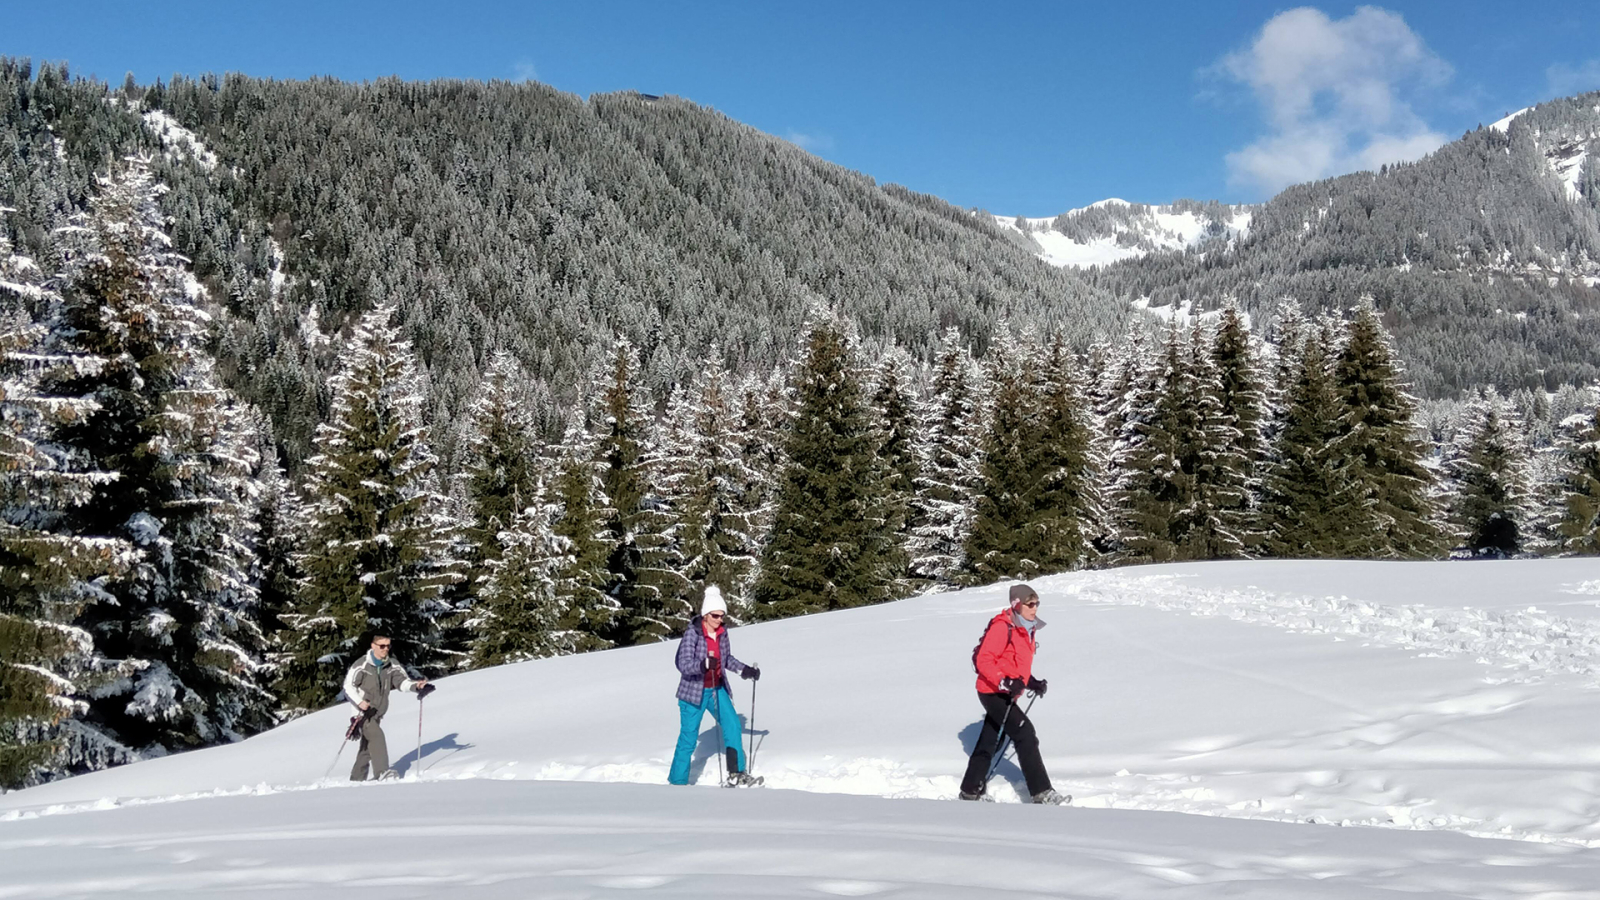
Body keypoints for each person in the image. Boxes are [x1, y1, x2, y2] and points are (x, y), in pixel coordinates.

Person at [959, 583, 1069, 804]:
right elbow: (984, 660)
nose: (1034, 608)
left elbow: (1014, 665)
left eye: (1037, 603)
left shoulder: (1027, 628)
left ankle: (970, 790)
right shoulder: (1003, 627)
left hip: (1005, 691)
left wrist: (1031, 682)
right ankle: (1041, 792)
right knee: (1025, 733)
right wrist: (1005, 681)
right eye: (1030, 603)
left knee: (991, 741)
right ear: (1017, 604)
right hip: (991, 691)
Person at [669, 586, 762, 786]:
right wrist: (702, 665)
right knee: (688, 738)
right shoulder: (692, 634)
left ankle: (736, 773)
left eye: (722, 616)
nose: (720, 619)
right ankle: (677, 783)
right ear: (705, 615)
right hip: (693, 693)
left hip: (716, 689)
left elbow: (726, 658)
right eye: (716, 616)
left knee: (732, 726)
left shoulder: (722, 633)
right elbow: (682, 664)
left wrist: (744, 670)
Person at [344, 633, 430, 781]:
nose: (385, 649)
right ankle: (383, 773)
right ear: (373, 646)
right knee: (377, 736)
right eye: (382, 646)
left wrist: (417, 686)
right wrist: (360, 703)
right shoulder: (361, 665)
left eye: (388, 646)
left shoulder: (392, 665)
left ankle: (356, 780)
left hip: (378, 712)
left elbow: (402, 682)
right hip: (362, 714)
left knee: (367, 748)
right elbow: (348, 687)